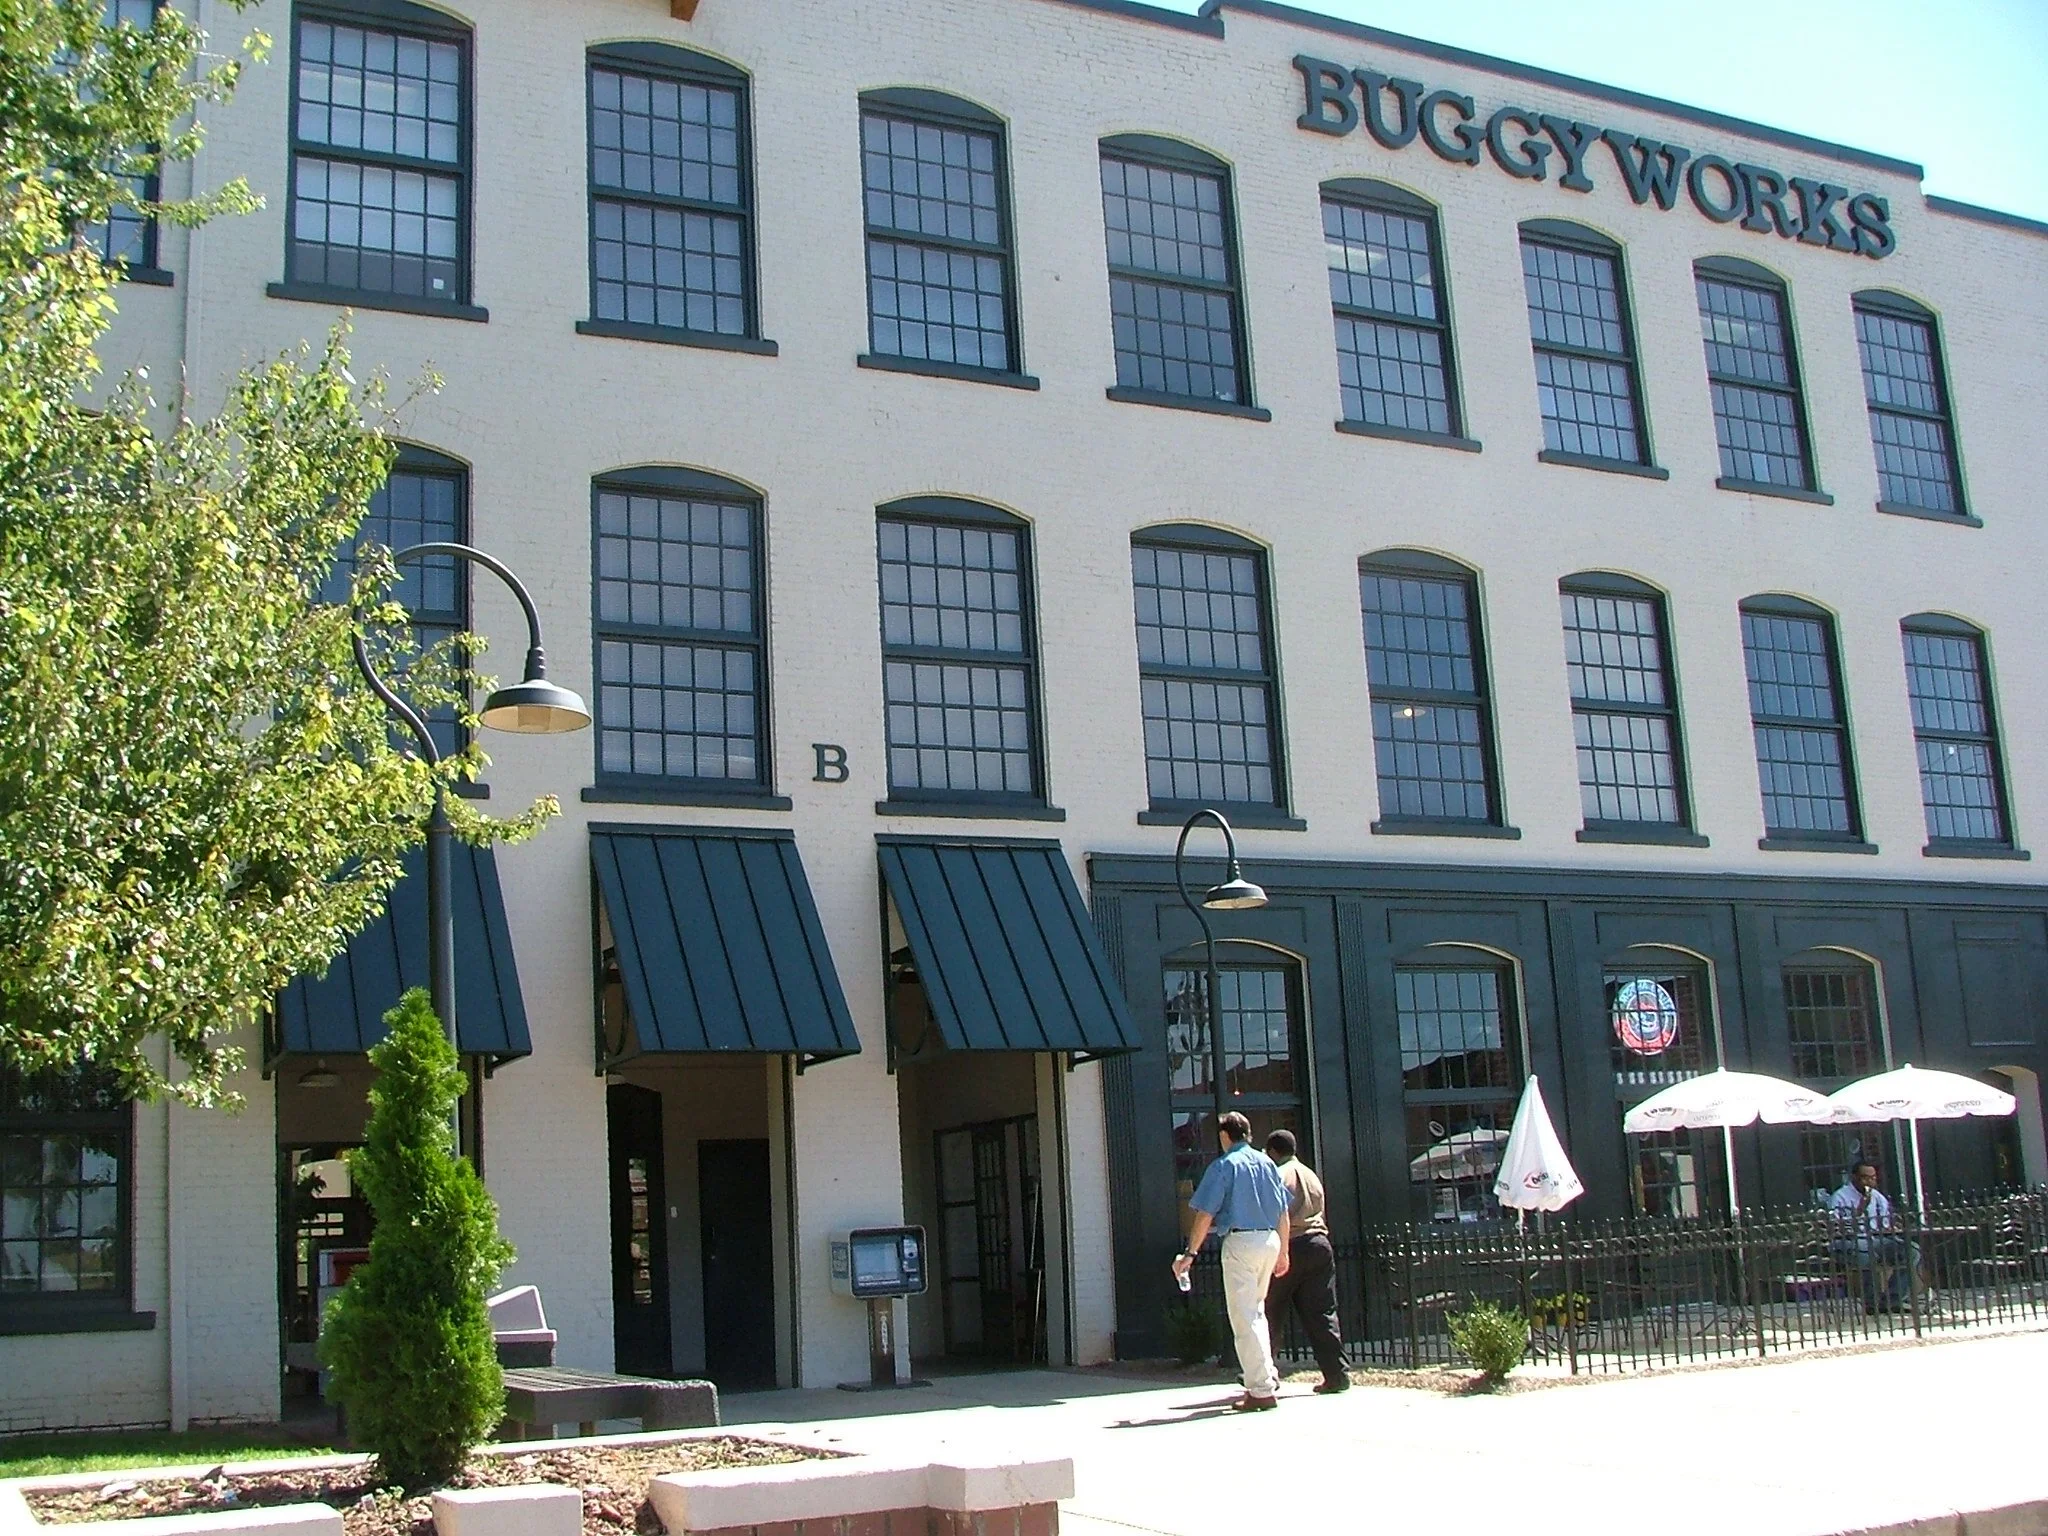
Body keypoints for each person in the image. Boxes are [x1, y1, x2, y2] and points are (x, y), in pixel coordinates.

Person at [1172, 1112, 1291, 1411]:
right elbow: (1283, 1212)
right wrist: (1284, 1251)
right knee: (1257, 1312)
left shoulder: (1224, 1166)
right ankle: (1266, 1376)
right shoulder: (1267, 1164)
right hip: (1269, 1239)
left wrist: (1190, 1254)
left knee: (1244, 1317)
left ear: (1225, 1136)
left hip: (1241, 1241)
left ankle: (1261, 1389)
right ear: (1248, 1133)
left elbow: (1205, 1214)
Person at [1262, 1129, 1348, 1394]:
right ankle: (1337, 1375)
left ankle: (1264, 1375)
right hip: (1319, 1243)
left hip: (1291, 1243)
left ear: (1272, 1152)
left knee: (1269, 1311)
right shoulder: (1311, 1175)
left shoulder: (1278, 1174)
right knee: (1322, 1313)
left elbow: (1276, 1213)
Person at [1828, 1162, 1918, 1312]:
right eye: (1865, 1178)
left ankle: (1893, 1299)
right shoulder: (1840, 1197)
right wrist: (1859, 1210)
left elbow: (1884, 1224)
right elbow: (1836, 1229)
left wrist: (1892, 1228)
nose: (1869, 1182)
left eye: (1873, 1178)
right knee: (1864, 1249)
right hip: (1848, 1241)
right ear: (1854, 1177)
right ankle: (1871, 1302)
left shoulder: (1877, 1197)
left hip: (1876, 1238)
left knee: (1912, 1250)